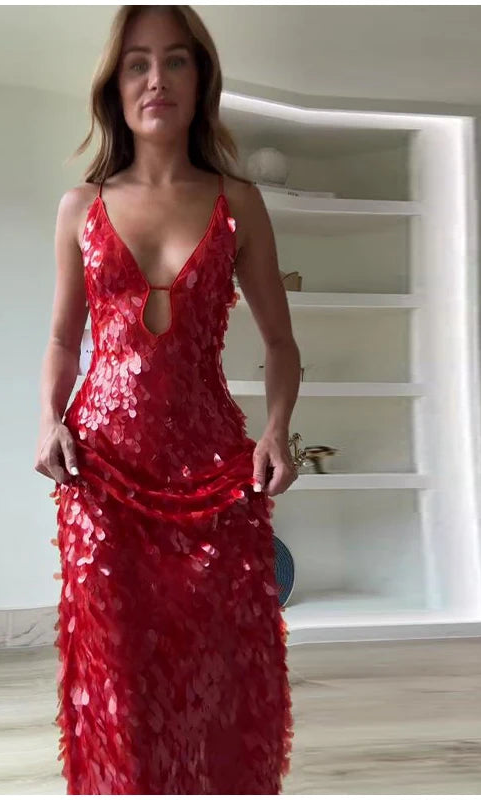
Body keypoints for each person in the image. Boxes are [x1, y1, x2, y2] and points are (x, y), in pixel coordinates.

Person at [35, 5, 301, 794]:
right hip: (103, 475)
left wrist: (278, 431)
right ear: (115, 87)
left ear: (200, 78)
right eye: (137, 63)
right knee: (116, 677)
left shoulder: (238, 202)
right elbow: (63, 340)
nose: (157, 79)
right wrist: (47, 421)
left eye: (176, 60)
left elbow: (281, 344)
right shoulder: (80, 207)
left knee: (219, 672)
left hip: (216, 474)